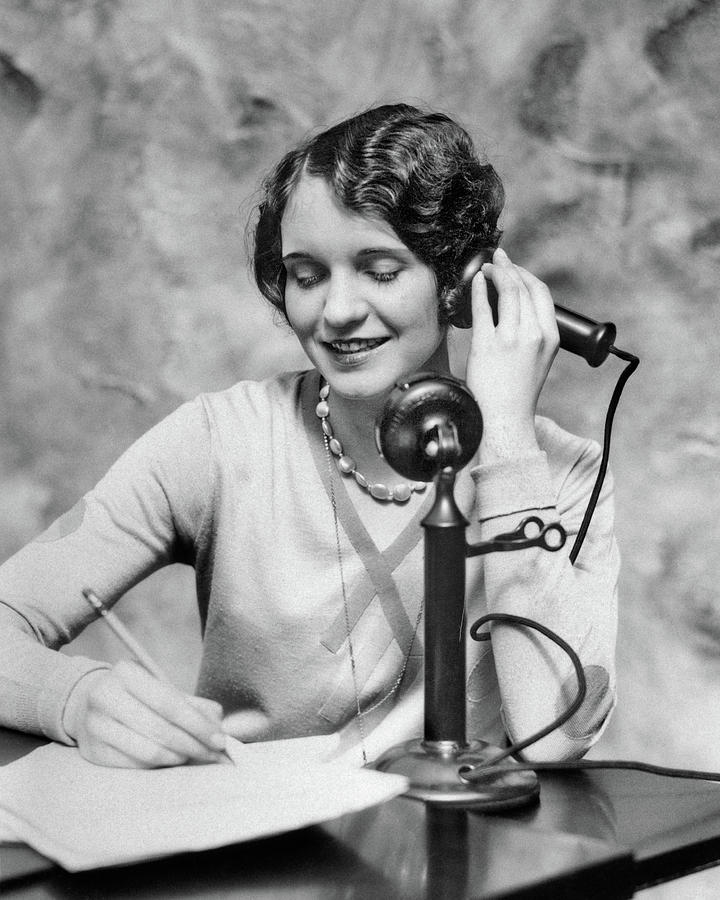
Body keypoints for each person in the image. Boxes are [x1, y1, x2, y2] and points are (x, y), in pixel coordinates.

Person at [0, 104, 618, 769]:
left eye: (381, 271)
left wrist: (505, 442)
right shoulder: (219, 443)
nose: (338, 311)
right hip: (259, 853)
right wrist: (76, 696)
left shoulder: (561, 474)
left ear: (461, 284)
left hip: (474, 859)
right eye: (307, 275)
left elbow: (554, 737)